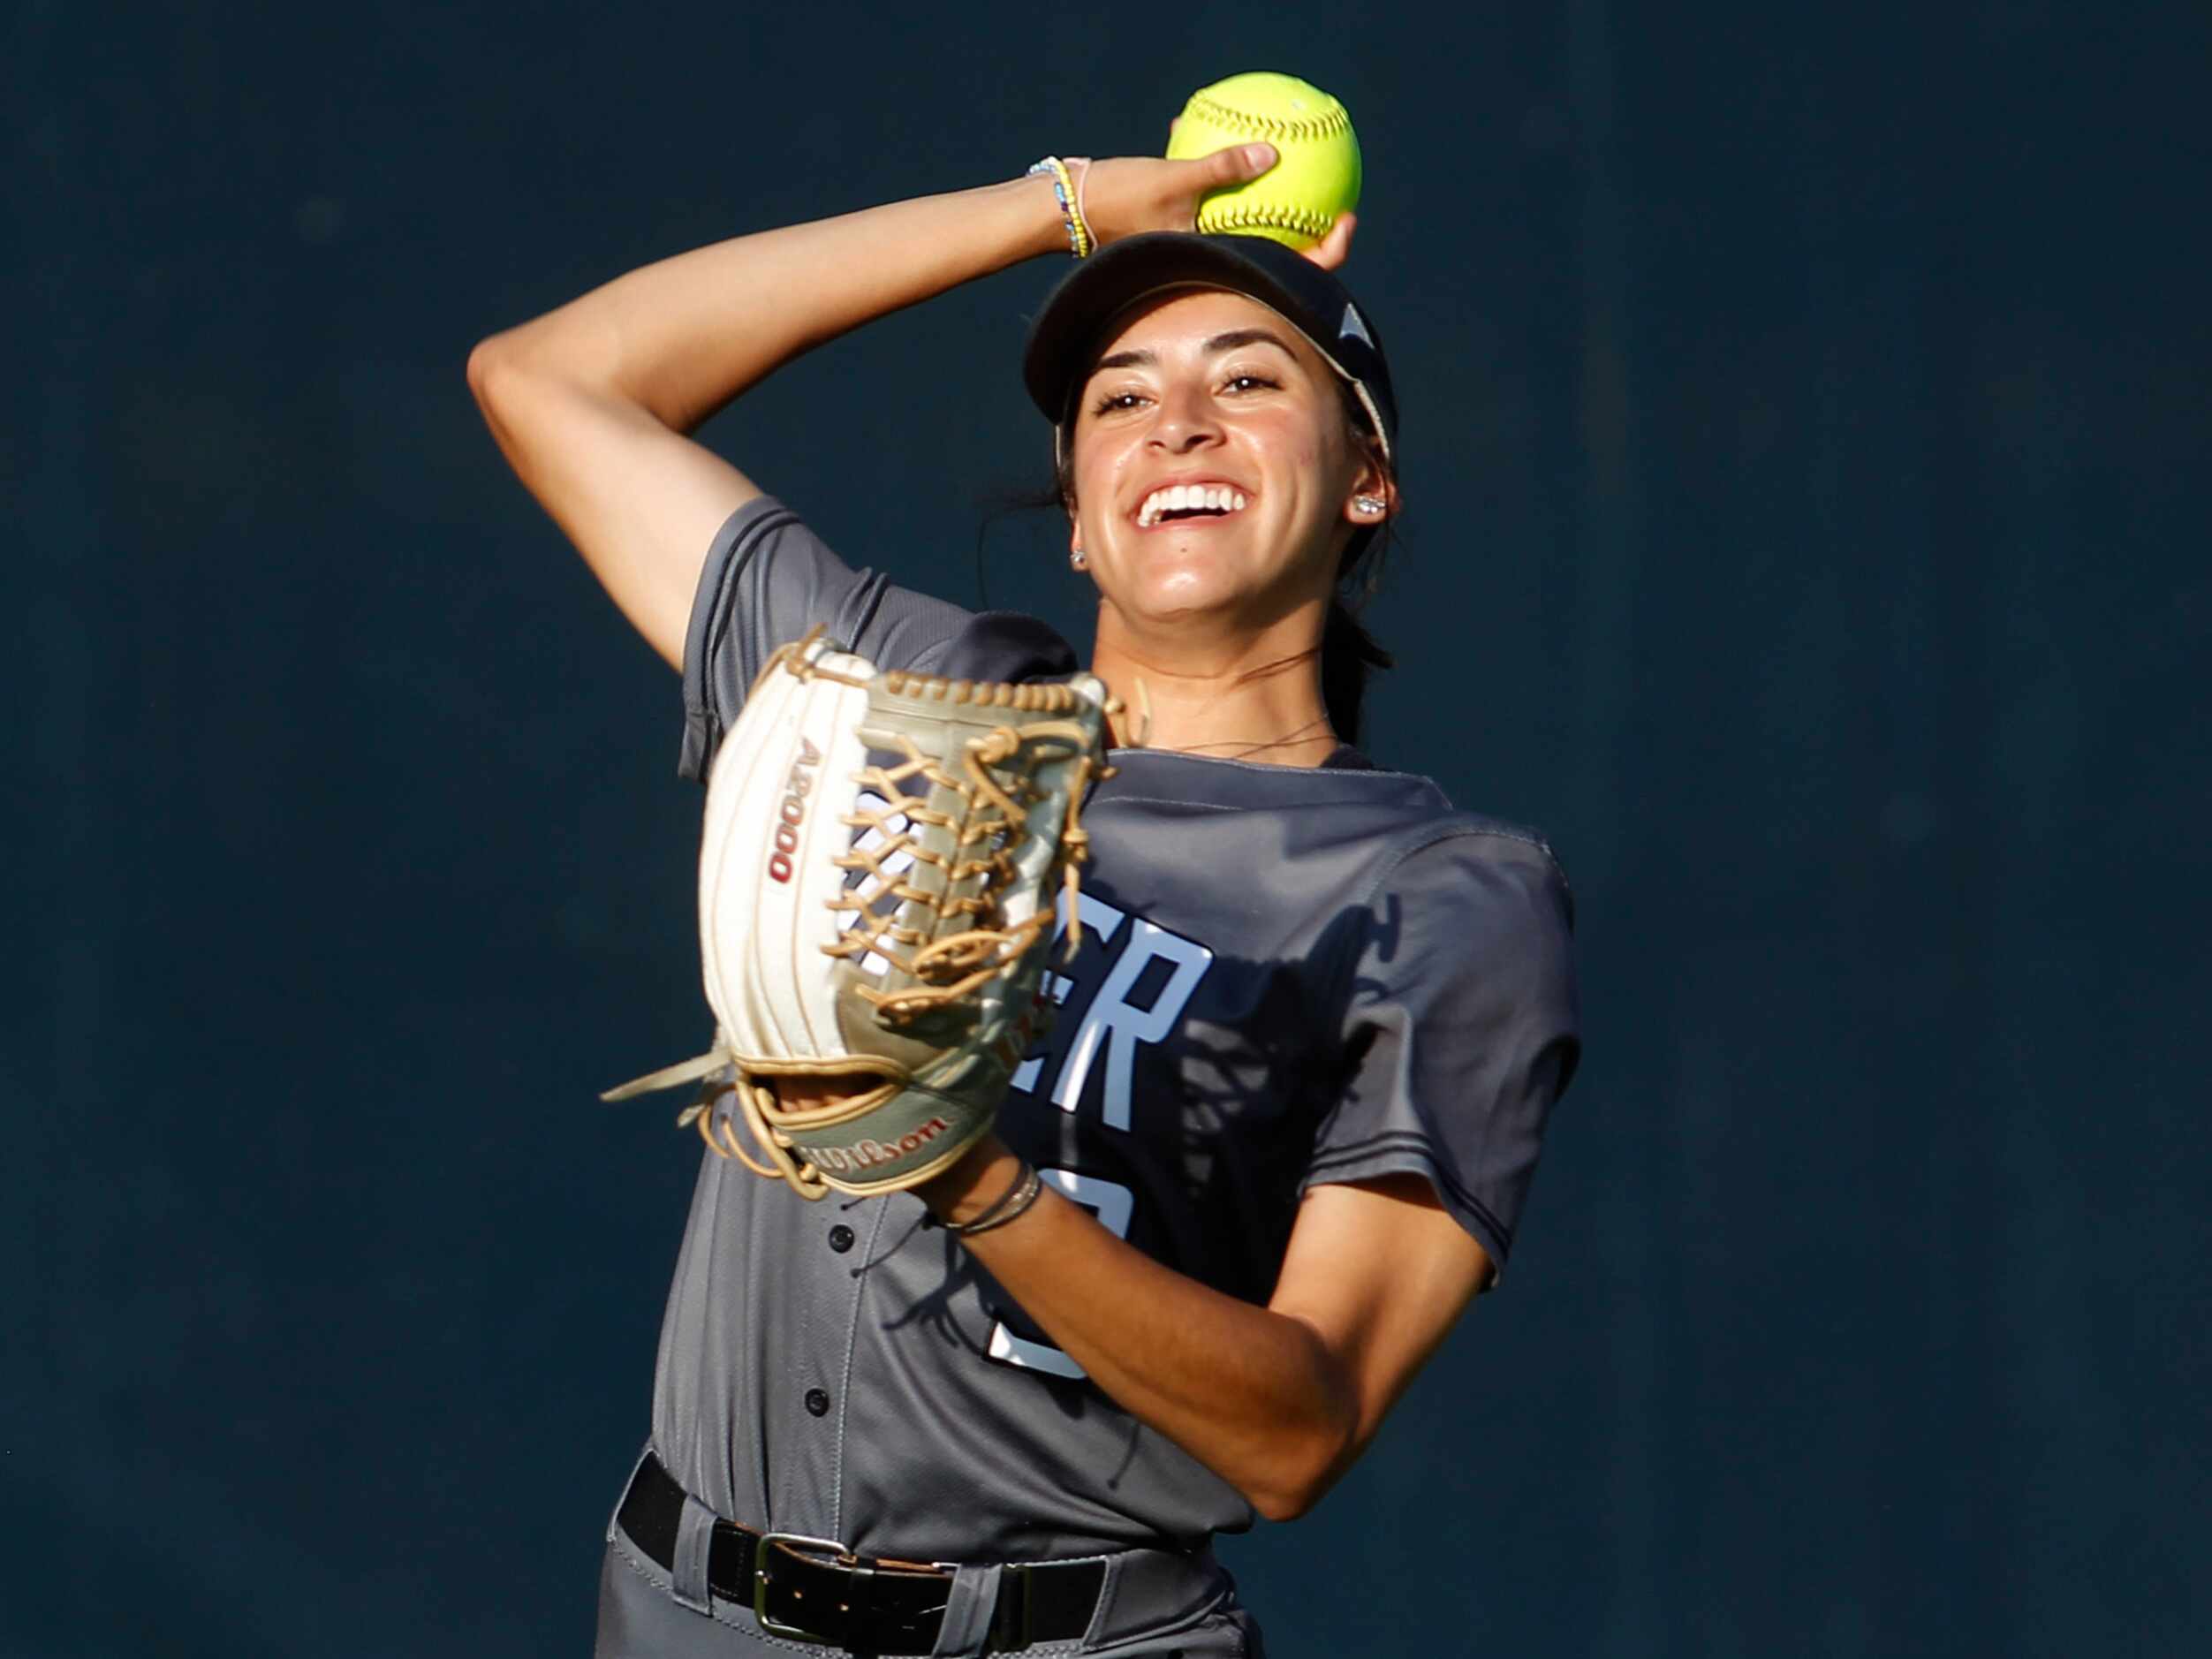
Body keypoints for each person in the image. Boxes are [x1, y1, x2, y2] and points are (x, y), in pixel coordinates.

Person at [469, 140, 1579, 1658]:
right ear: (1076, 510)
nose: (1177, 420)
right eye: (1119, 397)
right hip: (683, 1612)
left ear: (1369, 479)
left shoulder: (1437, 896)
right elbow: (550, 377)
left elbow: (1300, 1428)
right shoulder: (893, 693)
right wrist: (1053, 212)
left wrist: (967, 1173)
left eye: (1249, 382)